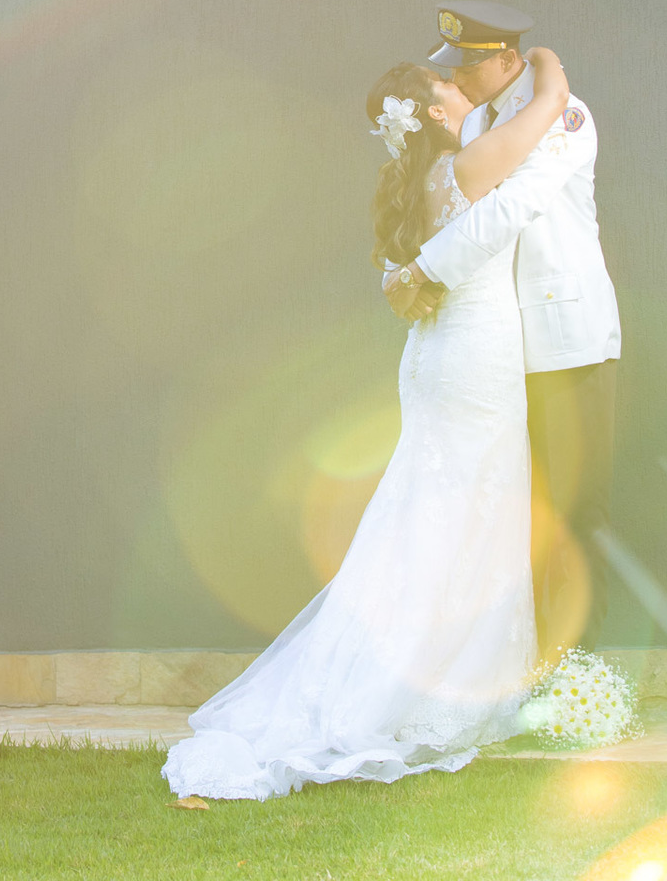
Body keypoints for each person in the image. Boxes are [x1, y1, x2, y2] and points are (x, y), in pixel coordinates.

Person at [161, 46, 570, 801]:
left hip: (433, 359)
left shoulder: (412, 181)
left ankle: (427, 673)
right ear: (438, 113)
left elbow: (401, 273)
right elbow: (548, 108)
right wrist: (542, 58)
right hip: (473, 362)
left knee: (429, 516)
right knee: (470, 515)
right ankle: (430, 689)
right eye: (448, 83)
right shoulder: (468, 166)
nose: (460, 84)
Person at [387, 2, 621, 657]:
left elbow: (516, 204)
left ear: (507, 60)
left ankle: (576, 673)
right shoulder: (479, 121)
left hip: (564, 338)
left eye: (466, 65)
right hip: (496, 346)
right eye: (451, 67)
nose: (456, 78)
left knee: (575, 512)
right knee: (518, 515)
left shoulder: (564, 116)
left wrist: (423, 271)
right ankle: (518, 664)